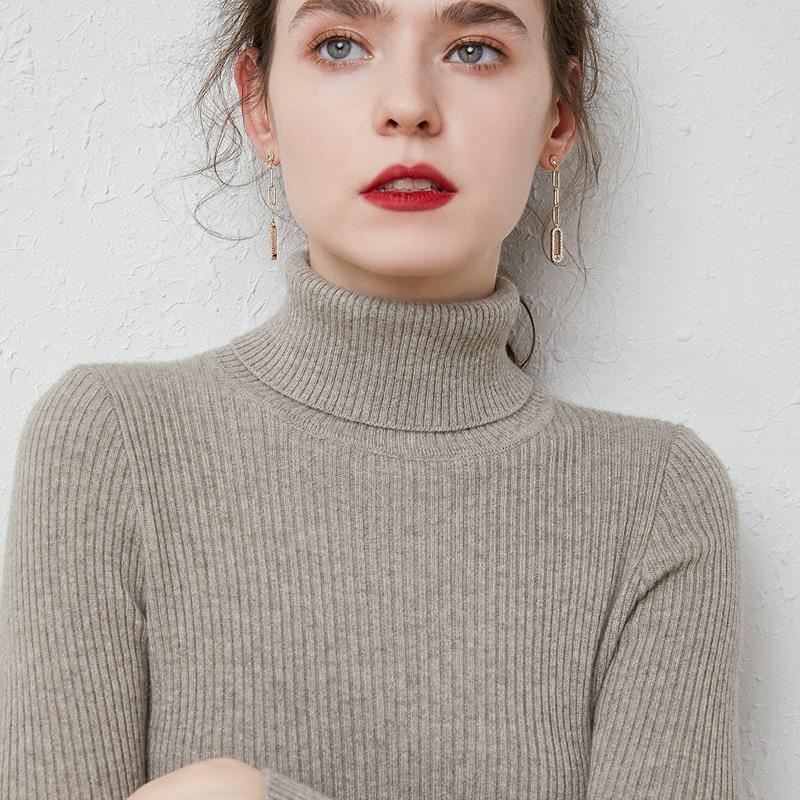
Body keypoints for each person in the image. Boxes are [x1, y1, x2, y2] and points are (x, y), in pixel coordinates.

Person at [0, 0, 743, 798]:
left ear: (556, 118)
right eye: (343, 44)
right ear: (259, 105)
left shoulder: (656, 499)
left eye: (475, 50)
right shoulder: (111, 444)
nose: (409, 106)